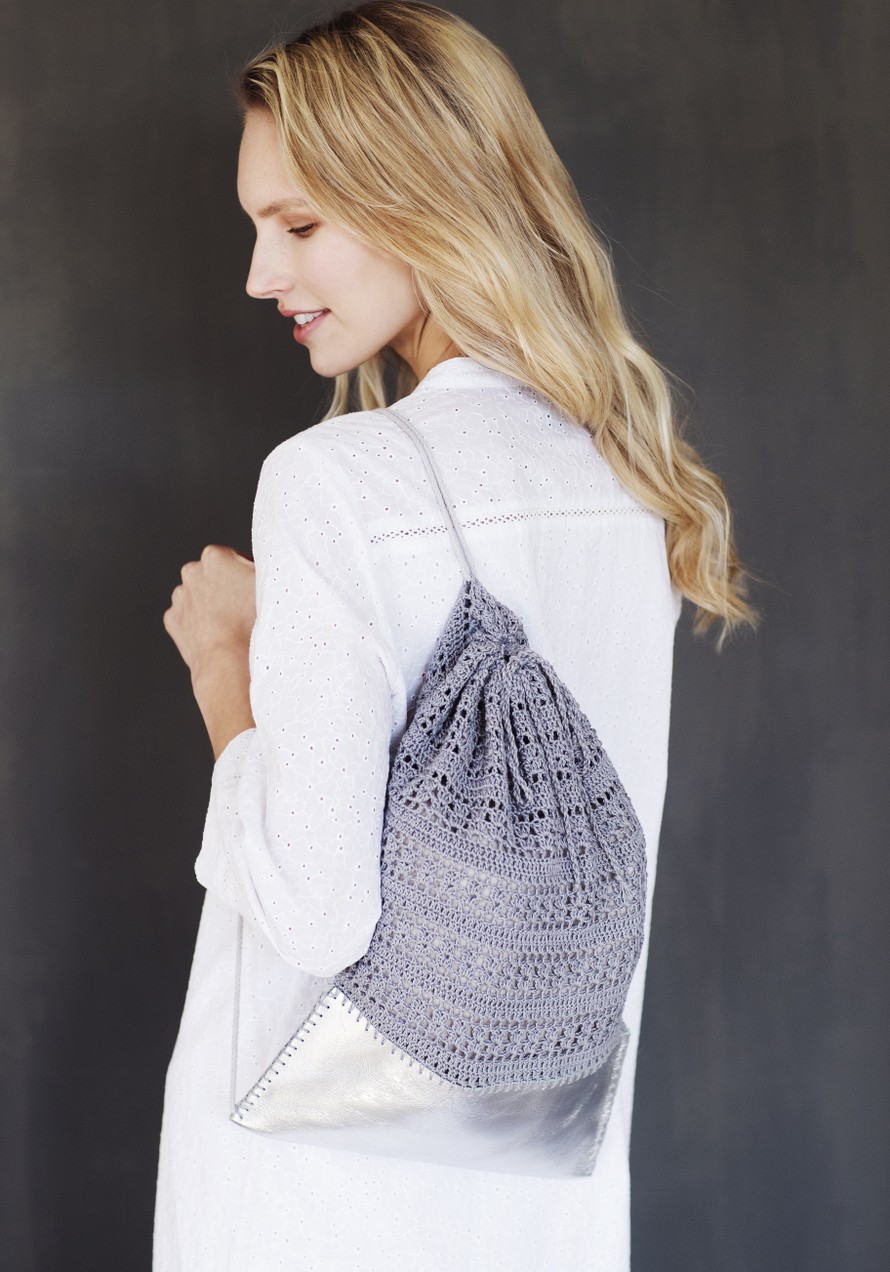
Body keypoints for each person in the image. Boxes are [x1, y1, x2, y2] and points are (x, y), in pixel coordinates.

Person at [155, 2, 757, 1268]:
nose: (261, 275)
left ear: (421, 198)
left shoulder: (334, 479)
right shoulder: (627, 470)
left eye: (298, 226)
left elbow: (315, 917)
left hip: (316, 1196)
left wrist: (224, 667)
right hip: (538, 1181)